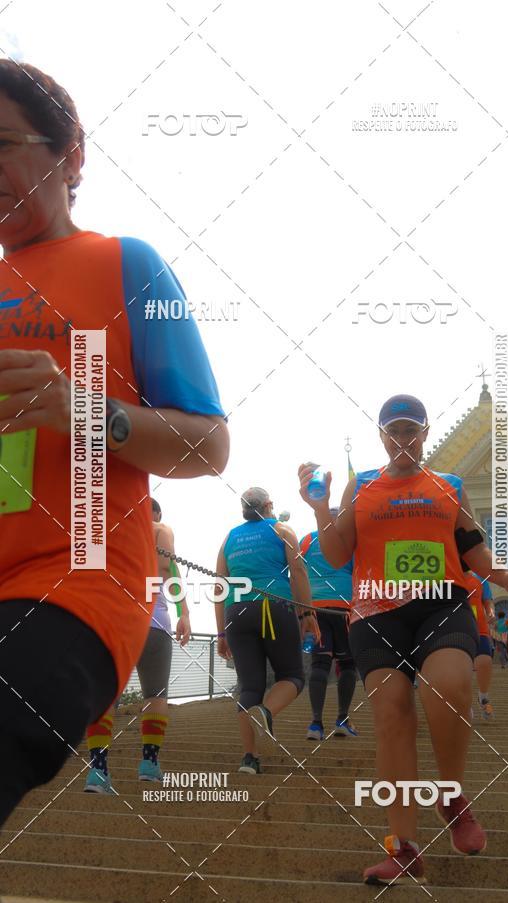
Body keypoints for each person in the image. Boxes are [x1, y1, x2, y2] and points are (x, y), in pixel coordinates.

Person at [0, 61, 228, 827]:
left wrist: (86, 409)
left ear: (70, 156)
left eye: (1, 143)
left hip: (80, 575)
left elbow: (210, 447)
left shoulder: (128, 264)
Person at [298, 394, 508, 886]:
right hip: (376, 612)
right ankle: (402, 848)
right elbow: (337, 554)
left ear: (425, 434)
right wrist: (320, 508)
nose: (402, 439)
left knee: (447, 685)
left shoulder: (448, 485)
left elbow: (472, 547)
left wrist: (506, 579)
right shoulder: (362, 485)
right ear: (382, 437)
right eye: (394, 431)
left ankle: (451, 796)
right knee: (391, 715)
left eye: (411, 430)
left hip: (441, 603)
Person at [84, 498, 192, 792]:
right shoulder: (160, 529)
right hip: (153, 622)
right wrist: (184, 613)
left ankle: (98, 771)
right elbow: (166, 569)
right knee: (156, 694)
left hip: (113, 622)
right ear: (154, 513)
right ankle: (149, 764)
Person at [215, 487, 318, 775]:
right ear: (269, 505)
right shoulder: (282, 530)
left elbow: (219, 587)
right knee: (293, 676)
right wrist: (307, 614)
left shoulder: (229, 538)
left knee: (250, 687)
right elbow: (298, 572)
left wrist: (221, 633)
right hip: (274, 607)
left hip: (236, 612)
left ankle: (250, 758)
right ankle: (265, 712)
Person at [299, 509, 358, 740]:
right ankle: (342, 720)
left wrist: (301, 610)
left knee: (320, 664)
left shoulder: (306, 540)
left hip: (314, 607)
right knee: (347, 664)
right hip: (345, 607)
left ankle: (315, 725)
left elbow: (297, 571)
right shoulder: (348, 539)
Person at [463, 568, 495, 720]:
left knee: (485, 661)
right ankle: (464, 703)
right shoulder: (444, 574)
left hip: (478, 626)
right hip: (453, 626)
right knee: (460, 668)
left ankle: (483, 697)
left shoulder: (480, 577)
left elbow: (487, 600)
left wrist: (490, 612)